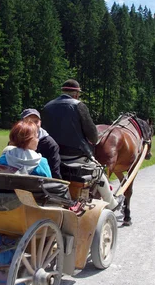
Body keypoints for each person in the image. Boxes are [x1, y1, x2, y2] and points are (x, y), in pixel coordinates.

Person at [41, 79, 119, 210]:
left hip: (51, 156)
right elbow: (93, 137)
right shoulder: (79, 106)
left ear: (63, 91)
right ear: (76, 94)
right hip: (75, 157)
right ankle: (112, 204)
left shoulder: (48, 106)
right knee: (99, 171)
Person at [20, 108, 62, 179]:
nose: (33, 125)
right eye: (28, 122)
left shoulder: (50, 144)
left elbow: (54, 172)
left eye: (36, 121)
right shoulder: (16, 139)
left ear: (40, 123)